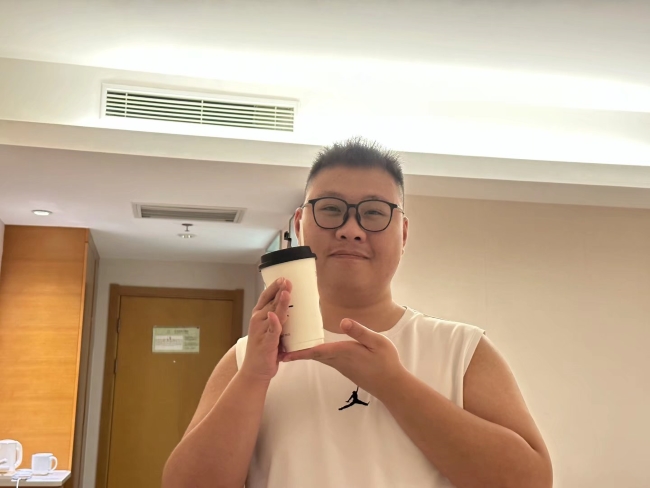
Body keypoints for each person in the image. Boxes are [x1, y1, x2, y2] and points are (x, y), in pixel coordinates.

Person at [162, 138, 553, 488]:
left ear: (403, 232)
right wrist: (253, 378)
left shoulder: (462, 351)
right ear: (300, 225)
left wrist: (393, 384)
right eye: (331, 209)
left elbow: (531, 482)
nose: (351, 229)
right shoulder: (246, 359)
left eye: (374, 212)